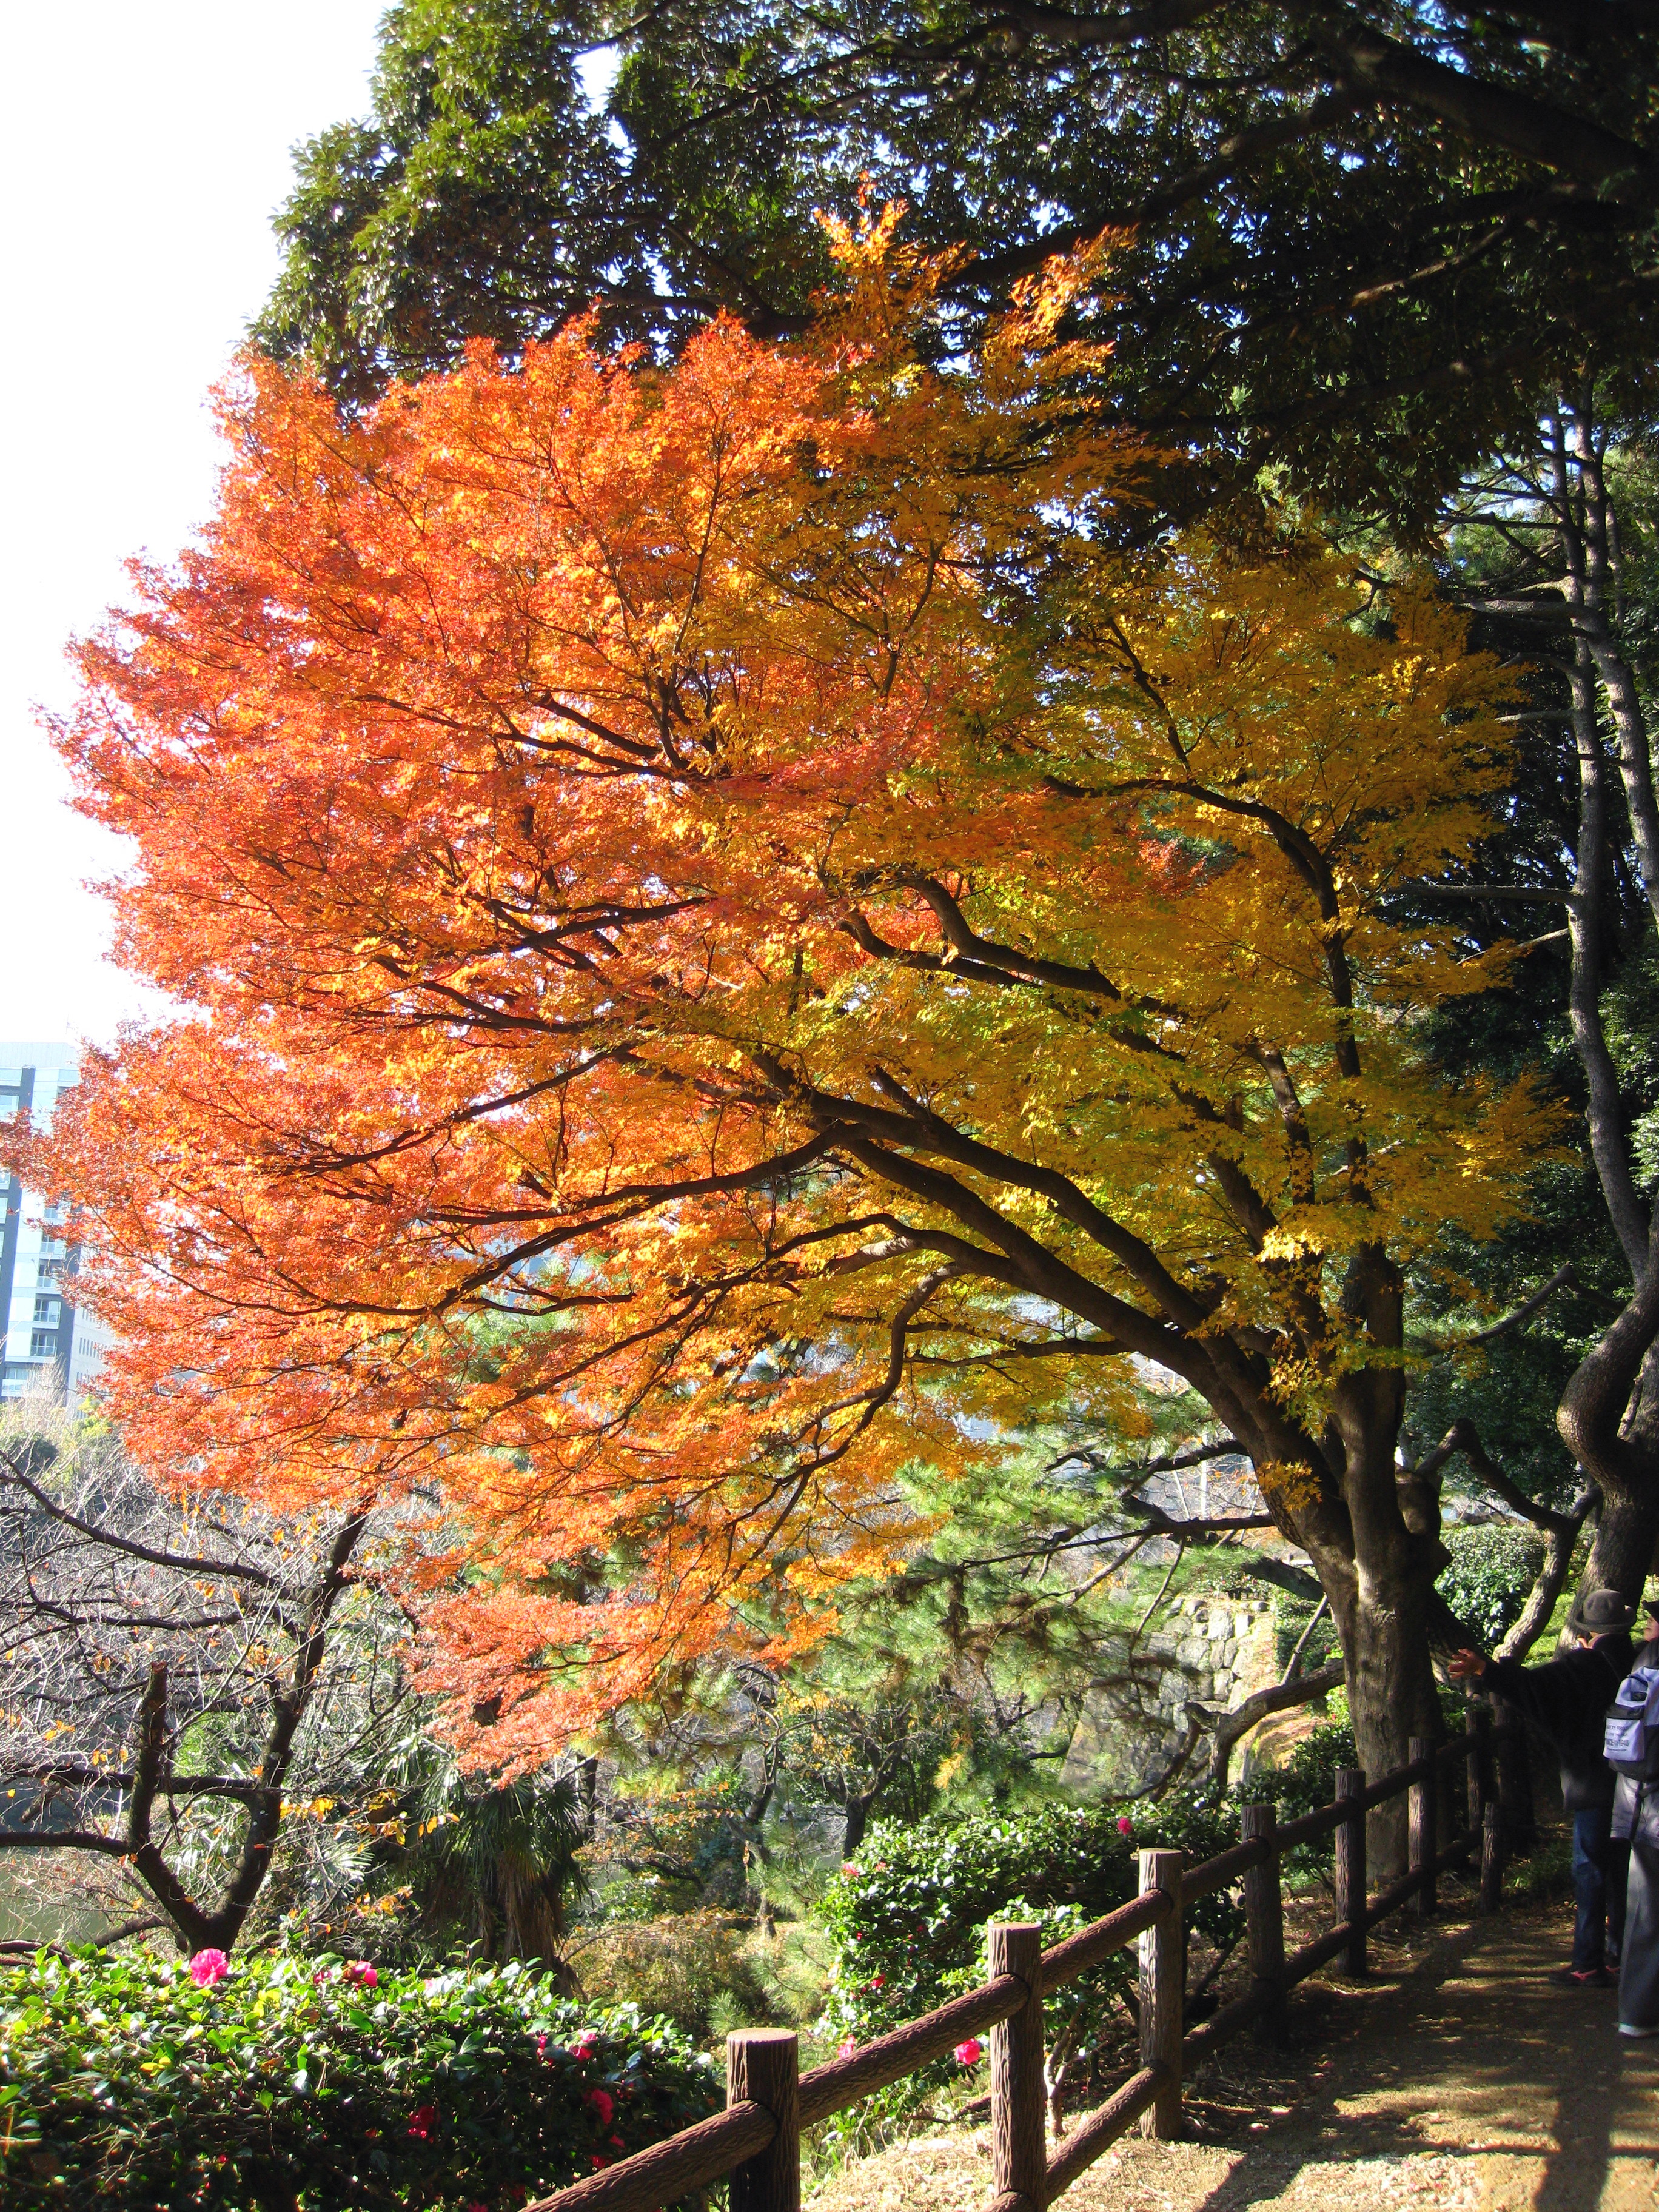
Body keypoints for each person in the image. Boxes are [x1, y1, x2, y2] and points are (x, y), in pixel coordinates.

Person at [1449, 1586, 1636, 1987]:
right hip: (1638, 1784)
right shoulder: (1640, 1661)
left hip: (1594, 1782)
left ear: (1587, 1629)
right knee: (1623, 1868)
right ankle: (1622, 1956)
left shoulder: (1583, 1666)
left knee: (1590, 1868)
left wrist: (1487, 1670)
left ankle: (1588, 1961)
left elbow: (1533, 1689)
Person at [1612, 1600, 1659, 2037]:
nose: (1646, 1625)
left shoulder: (1645, 1665)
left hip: (1644, 1800)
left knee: (1647, 1909)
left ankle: (1638, 2014)